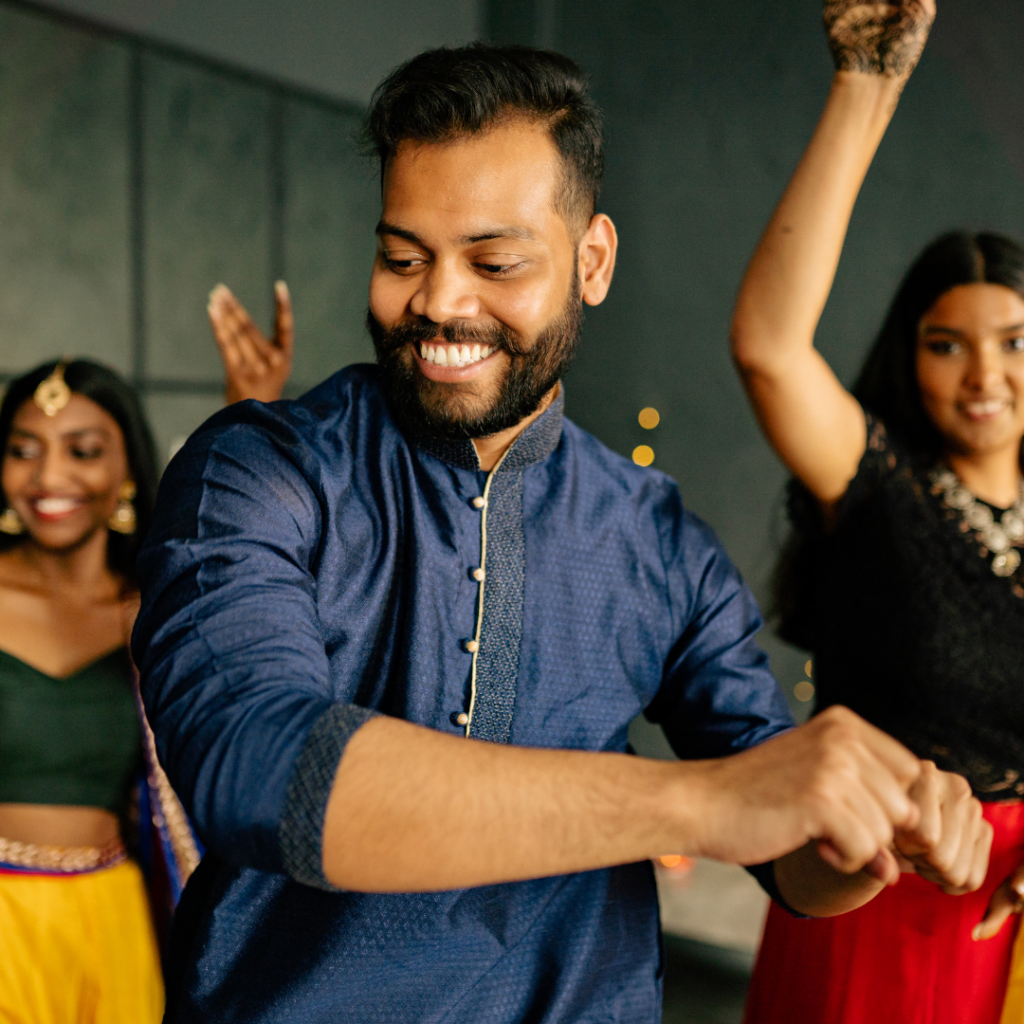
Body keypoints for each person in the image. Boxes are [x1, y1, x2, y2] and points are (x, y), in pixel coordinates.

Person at [133, 43, 991, 1024]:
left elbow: (791, 860)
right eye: (402, 256)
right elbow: (256, 764)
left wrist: (876, 834)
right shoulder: (257, 469)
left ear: (592, 262)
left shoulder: (658, 540)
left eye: (493, 261)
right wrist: (696, 802)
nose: (439, 302)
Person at [729, 2, 1024, 1022]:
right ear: (910, 356)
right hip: (873, 904)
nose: (984, 373)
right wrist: (866, 82)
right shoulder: (880, 485)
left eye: (1014, 341)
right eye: (947, 343)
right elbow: (768, 346)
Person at [0, 286, 292, 1024]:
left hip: (118, 915)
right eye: (22, 451)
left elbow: (232, 563)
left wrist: (244, 415)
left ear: (126, 472)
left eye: (83, 451)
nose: (48, 477)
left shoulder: (154, 609)